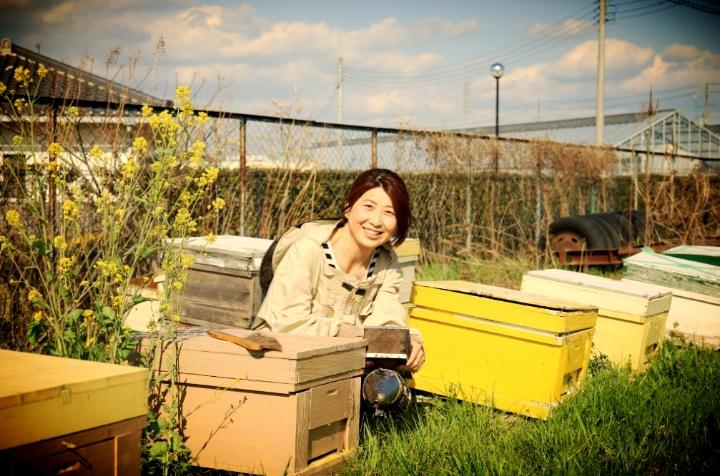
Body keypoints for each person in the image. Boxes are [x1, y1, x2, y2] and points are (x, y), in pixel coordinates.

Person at [254, 168, 425, 372]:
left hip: (344, 366)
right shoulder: (308, 250)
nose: (377, 221)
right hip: (280, 363)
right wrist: (351, 333)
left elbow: (386, 321)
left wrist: (408, 342)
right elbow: (288, 326)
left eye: (389, 212)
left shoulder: (387, 263)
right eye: (369, 206)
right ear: (348, 208)